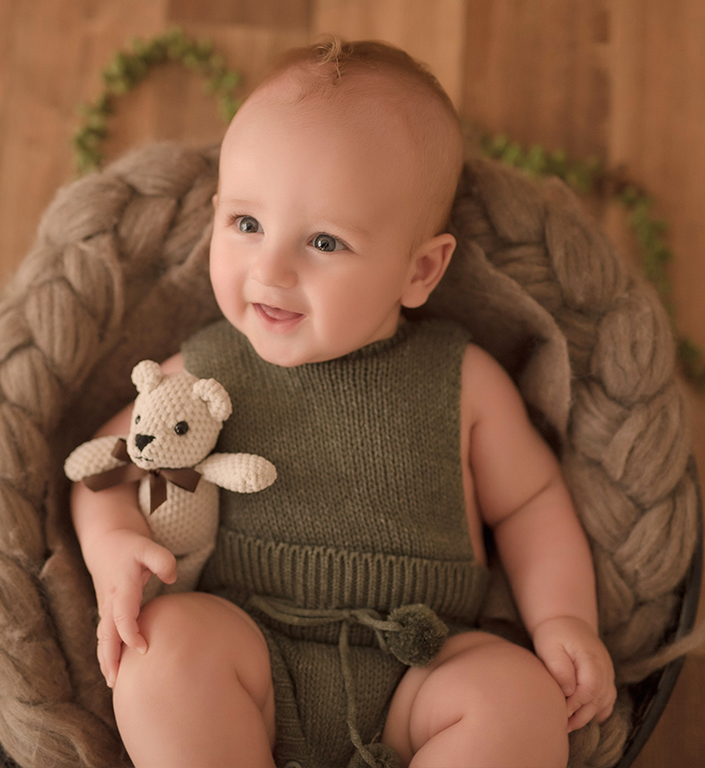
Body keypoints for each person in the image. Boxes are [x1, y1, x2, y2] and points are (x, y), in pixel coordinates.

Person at [70, 35, 616, 768]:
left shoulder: (462, 377)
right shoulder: (202, 369)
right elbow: (105, 465)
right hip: (248, 649)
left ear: (419, 270)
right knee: (164, 650)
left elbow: (530, 503)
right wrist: (112, 545)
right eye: (247, 225)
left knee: (518, 700)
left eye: (324, 242)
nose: (271, 269)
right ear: (215, 215)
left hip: (421, 664)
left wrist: (563, 620)